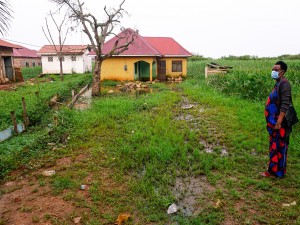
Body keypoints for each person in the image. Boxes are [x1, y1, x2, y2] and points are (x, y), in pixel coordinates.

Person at [261, 61, 292, 178]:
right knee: (275, 146)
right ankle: (275, 171)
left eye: (276, 70)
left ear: (282, 72)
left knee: (279, 147)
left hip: (279, 124)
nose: (273, 71)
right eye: (272, 69)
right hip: (273, 123)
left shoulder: (284, 84)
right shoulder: (278, 83)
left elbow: (285, 105)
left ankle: (275, 172)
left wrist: (278, 122)